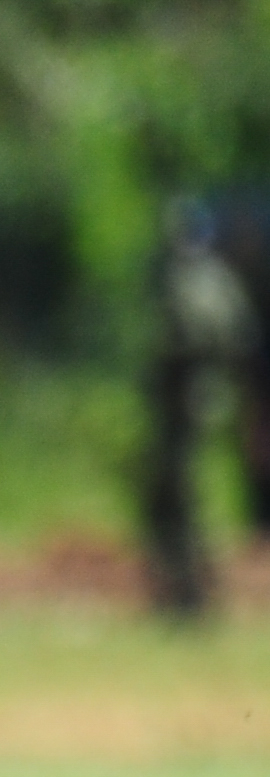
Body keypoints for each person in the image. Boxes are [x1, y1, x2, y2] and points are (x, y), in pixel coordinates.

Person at [140, 200, 259, 619]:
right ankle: (190, 590)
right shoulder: (222, 281)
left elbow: (189, 339)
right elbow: (240, 341)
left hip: (186, 400)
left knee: (178, 497)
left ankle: (189, 593)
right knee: (186, 496)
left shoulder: (190, 280)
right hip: (208, 400)